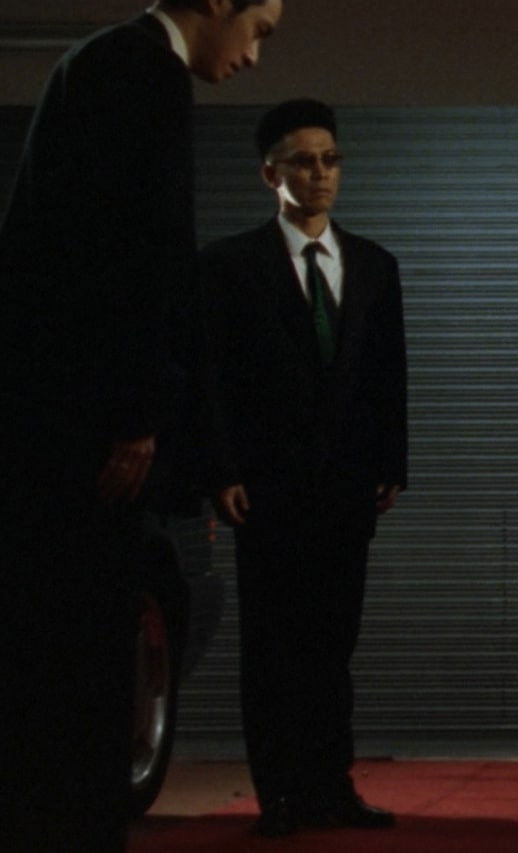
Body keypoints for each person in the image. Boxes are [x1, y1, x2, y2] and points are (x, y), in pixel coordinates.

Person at [0, 2, 282, 848]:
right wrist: (137, 413)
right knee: (86, 660)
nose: (255, 54)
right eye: (260, 26)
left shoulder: (95, 59)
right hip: (88, 424)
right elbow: (138, 253)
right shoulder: (147, 71)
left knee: (52, 655)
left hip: (46, 410)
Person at [203, 99, 408, 837]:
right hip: (266, 486)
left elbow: (388, 372)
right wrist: (220, 470)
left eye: (330, 160)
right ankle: (280, 793)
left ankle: (330, 784)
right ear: (271, 174)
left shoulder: (375, 265)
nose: (320, 174)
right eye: (303, 161)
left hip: (347, 486)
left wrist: (392, 462)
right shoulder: (228, 266)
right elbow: (213, 379)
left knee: (332, 643)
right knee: (272, 644)